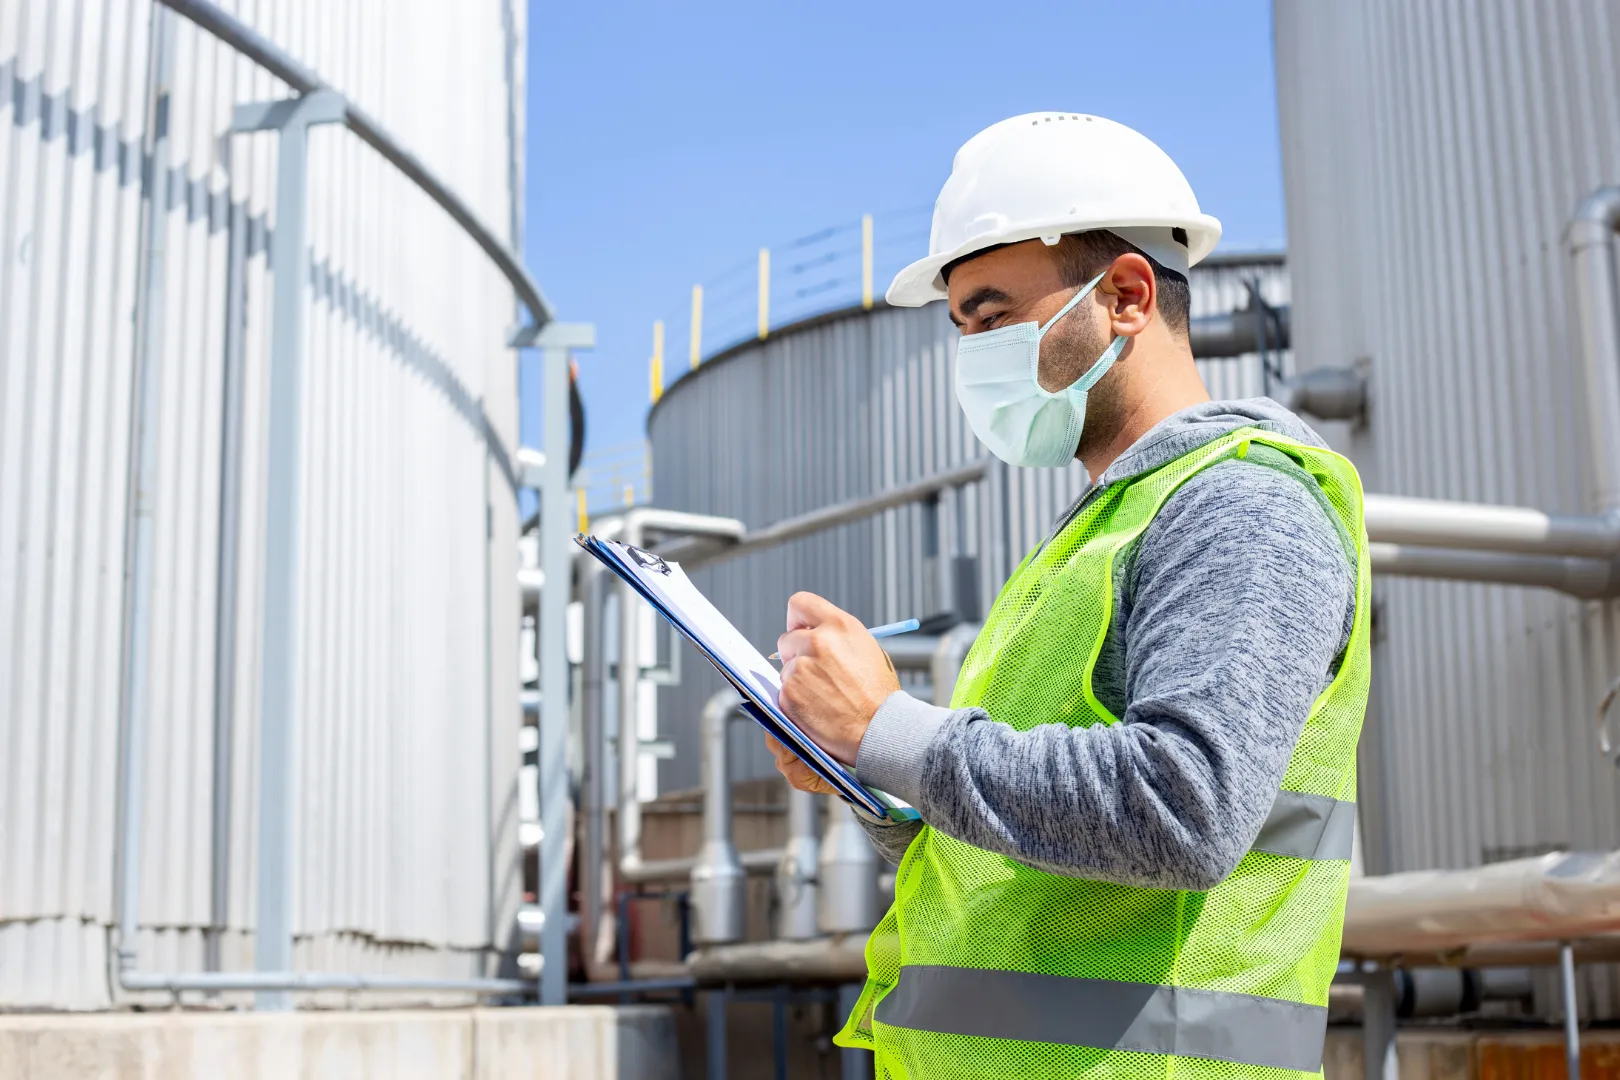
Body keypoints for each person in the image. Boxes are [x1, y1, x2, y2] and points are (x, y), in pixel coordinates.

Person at [766, 112, 1368, 1078]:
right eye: (960, 324)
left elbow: (1187, 809)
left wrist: (891, 728)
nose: (971, 353)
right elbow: (1029, 861)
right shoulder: (1094, 536)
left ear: (1126, 295)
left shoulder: (1240, 506)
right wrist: (868, 773)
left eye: (993, 315)